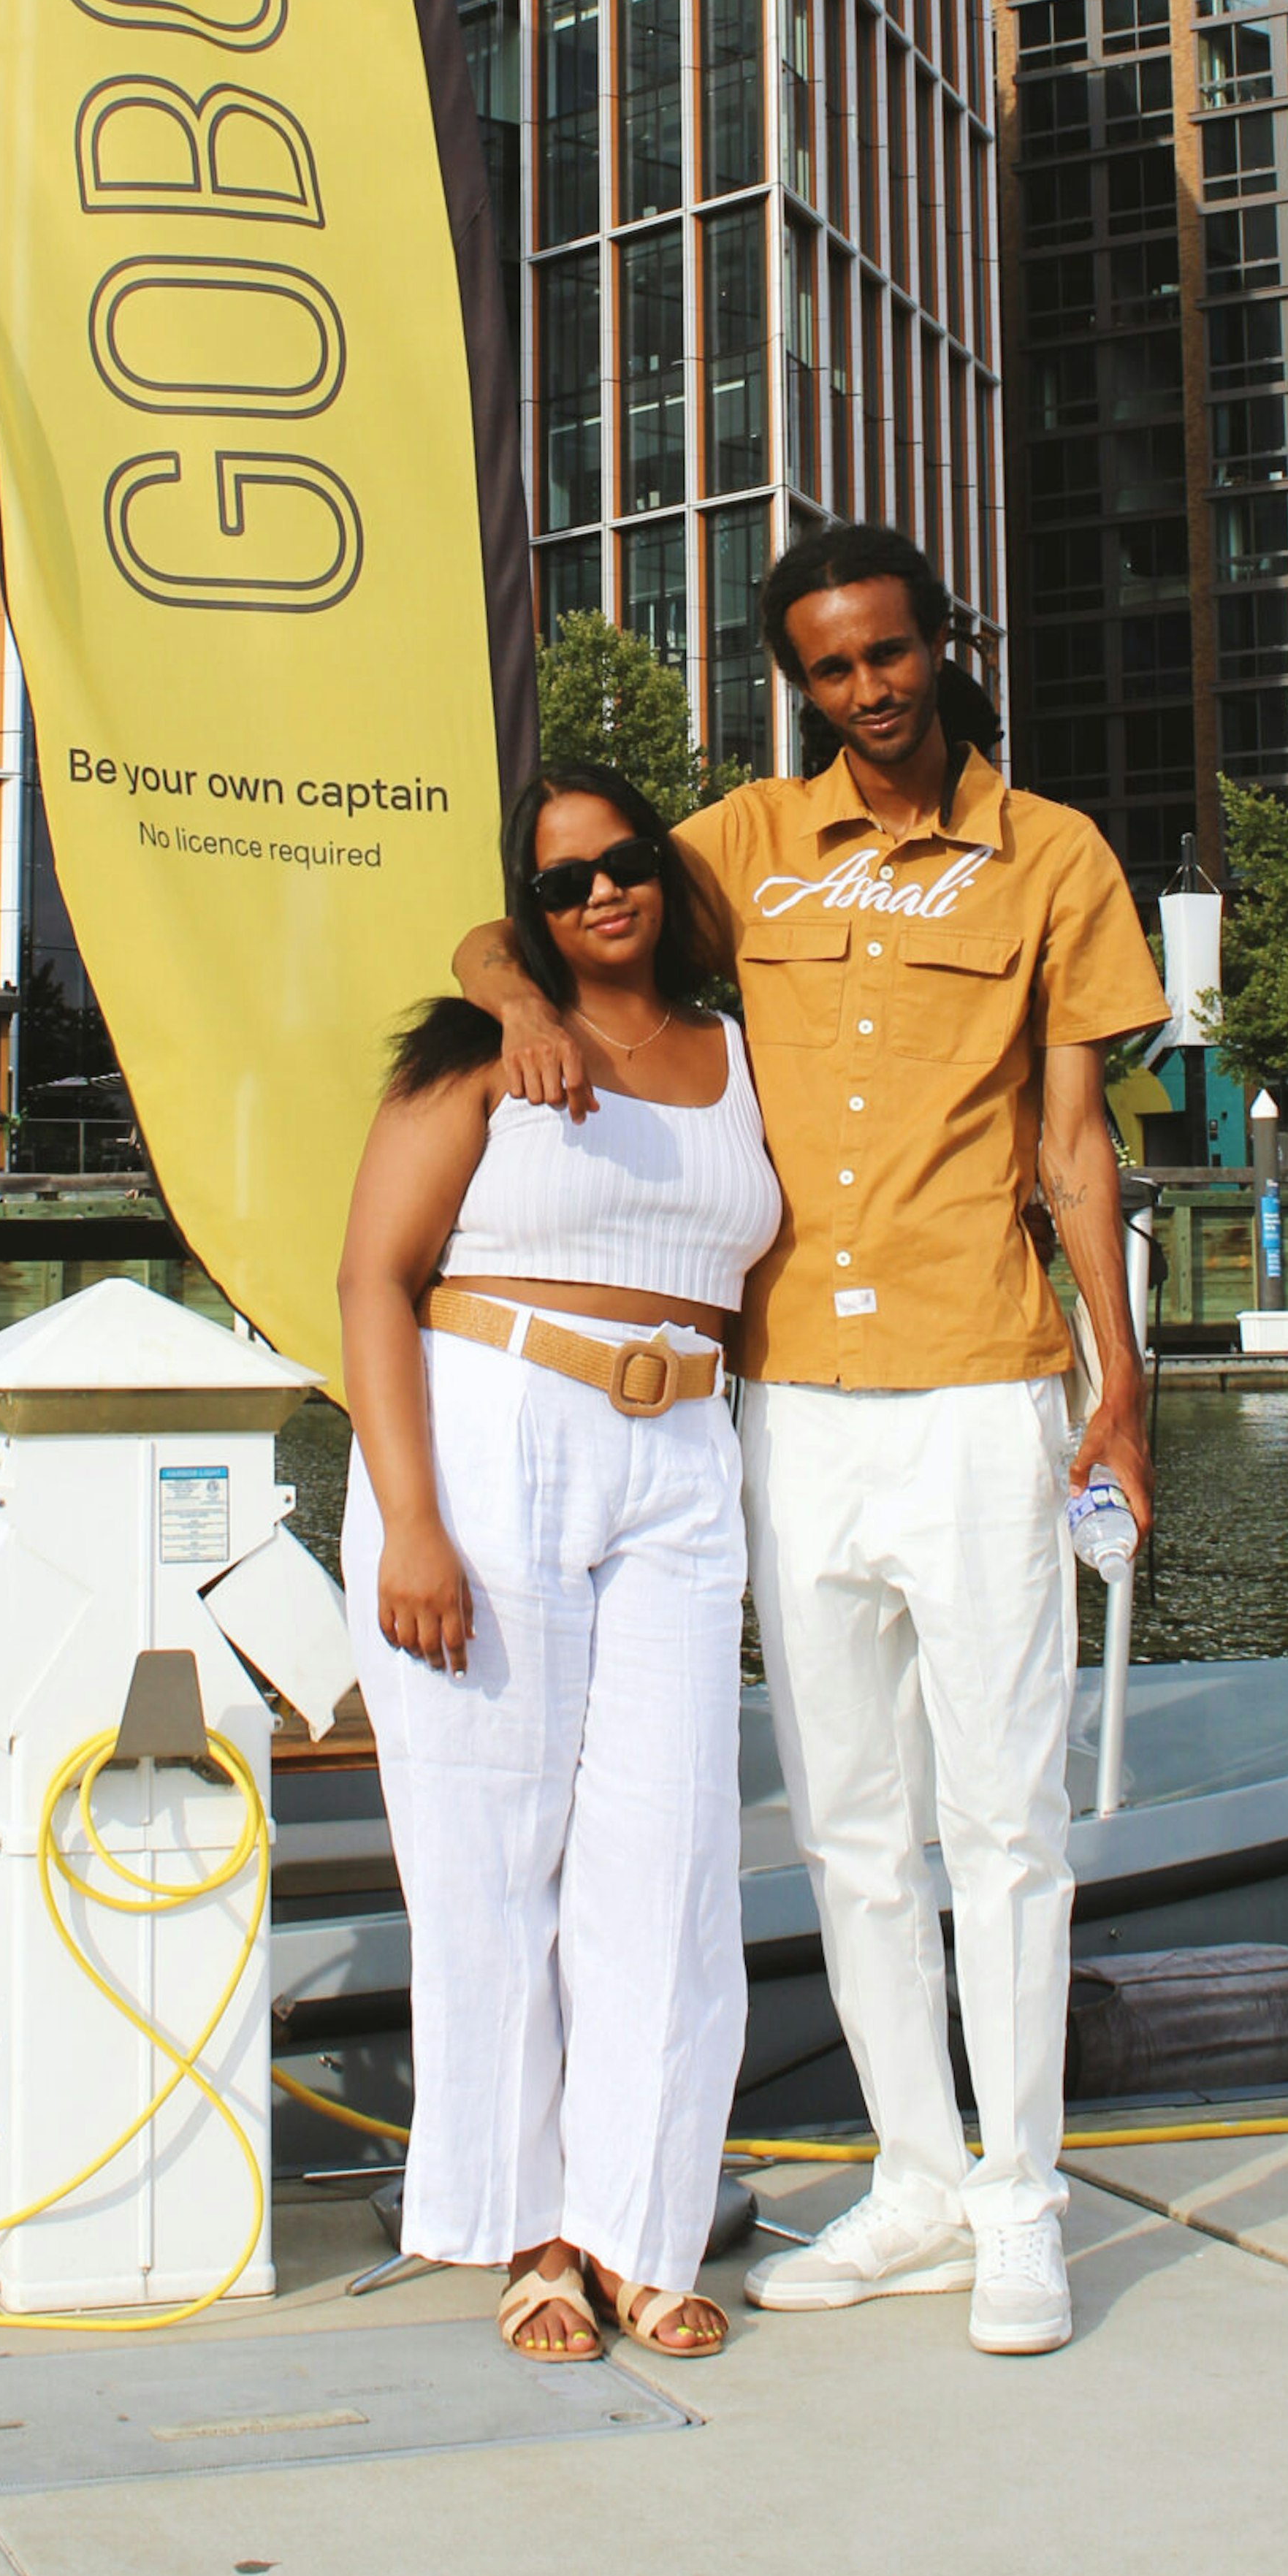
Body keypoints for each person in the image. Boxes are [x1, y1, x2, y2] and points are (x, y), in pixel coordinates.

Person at [457, 527, 1165, 2357]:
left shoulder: (1053, 858)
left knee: (1001, 1817)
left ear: (941, 641)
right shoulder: (743, 850)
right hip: (780, 1403)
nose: (871, 689)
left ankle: (1023, 2201)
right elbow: (511, 912)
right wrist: (524, 1002)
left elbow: (1077, 1145)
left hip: (981, 1382)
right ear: (804, 686)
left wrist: (1123, 1381)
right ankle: (916, 2176)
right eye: (833, 669)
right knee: (850, 1826)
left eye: (891, 652)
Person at [337, 762, 783, 2367]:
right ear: (528, 911)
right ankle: (525, 2234)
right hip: (489, 1432)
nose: (601, 892)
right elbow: (372, 1280)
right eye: (561, 880)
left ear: (664, 869)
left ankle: (640, 2229)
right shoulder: (478, 1051)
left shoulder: (743, 1056)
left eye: (624, 861)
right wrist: (407, 1517)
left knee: (670, 1862)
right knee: (485, 1855)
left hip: (683, 1457)